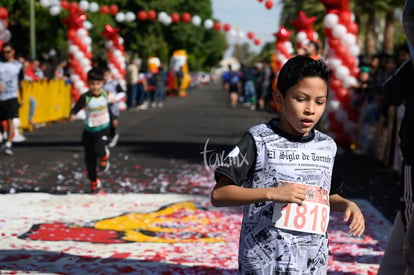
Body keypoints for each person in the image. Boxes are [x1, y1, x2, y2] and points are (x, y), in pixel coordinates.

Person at [211, 55, 365, 274]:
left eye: (320, 102)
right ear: (279, 98)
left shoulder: (327, 146)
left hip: (311, 264)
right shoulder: (257, 139)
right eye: (301, 99)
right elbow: (219, 194)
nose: (311, 109)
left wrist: (348, 205)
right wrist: (272, 193)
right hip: (264, 263)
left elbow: (327, 195)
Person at [70, 67, 112, 193]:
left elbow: (112, 104)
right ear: (88, 84)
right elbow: (77, 107)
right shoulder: (85, 97)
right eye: (92, 84)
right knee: (89, 159)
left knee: (99, 150)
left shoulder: (105, 94)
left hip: (103, 128)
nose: (95, 87)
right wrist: (72, 114)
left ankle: (104, 156)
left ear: (102, 84)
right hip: (89, 131)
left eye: (98, 84)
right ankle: (94, 183)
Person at [0, 43, 24, 156]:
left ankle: (8, 143)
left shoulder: (18, 66)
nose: (6, 54)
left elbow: (21, 83)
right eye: (4, 52)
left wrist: (22, 97)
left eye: (8, 52)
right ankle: (2, 140)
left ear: (13, 52)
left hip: (11, 96)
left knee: (10, 120)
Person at [103, 67, 124, 148]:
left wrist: (115, 98)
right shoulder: (101, 84)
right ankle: (107, 137)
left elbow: (122, 92)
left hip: (113, 107)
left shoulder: (114, 83)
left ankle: (114, 135)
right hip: (104, 107)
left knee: (113, 123)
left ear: (110, 75)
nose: (105, 77)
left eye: (107, 75)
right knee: (105, 123)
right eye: (104, 75)